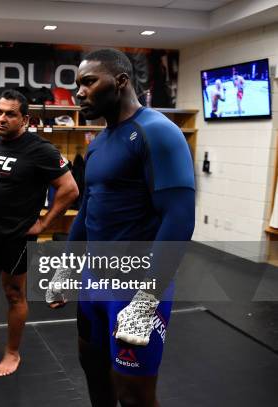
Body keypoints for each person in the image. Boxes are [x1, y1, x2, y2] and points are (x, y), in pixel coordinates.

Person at [69, 48, 194, 407]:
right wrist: (65, 267)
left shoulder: (158, 132)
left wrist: (145, 300)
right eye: (78, 84)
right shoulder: (99, 143)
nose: (80, 92)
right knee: (94, 374)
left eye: (89, 82)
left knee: (133, 395)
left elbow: (179, 220)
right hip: (94, 284)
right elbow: (88, 211)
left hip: (135, 287)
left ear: (121, 81)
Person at [0, 89, 78, 376]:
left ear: (24, 119)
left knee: (13, 294)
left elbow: (70, 189)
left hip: (17, 236)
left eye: (10, 113)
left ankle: (12, 352)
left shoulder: (40, 150)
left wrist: (44, 224)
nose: (1, 118)